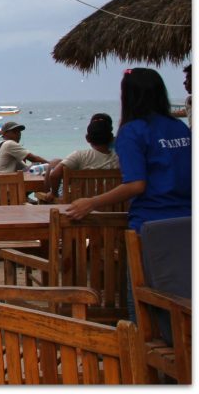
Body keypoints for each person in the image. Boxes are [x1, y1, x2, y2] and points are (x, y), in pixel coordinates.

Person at [68, 68, 192, 323]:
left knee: (142, 302)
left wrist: (91, 202)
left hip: (151, 227)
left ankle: (142, 357)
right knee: (183, 296)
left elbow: (136, 184)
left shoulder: (133, 131)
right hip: (187, 224)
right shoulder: (179, 128)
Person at [34, 113, 118, 203]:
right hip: (116, 206)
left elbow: (54, 175)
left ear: (87, 138)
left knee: (54, 163)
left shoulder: (80, 156)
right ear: (111, 138)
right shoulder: (121, 158)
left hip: (84, 208)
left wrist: (53, 193)